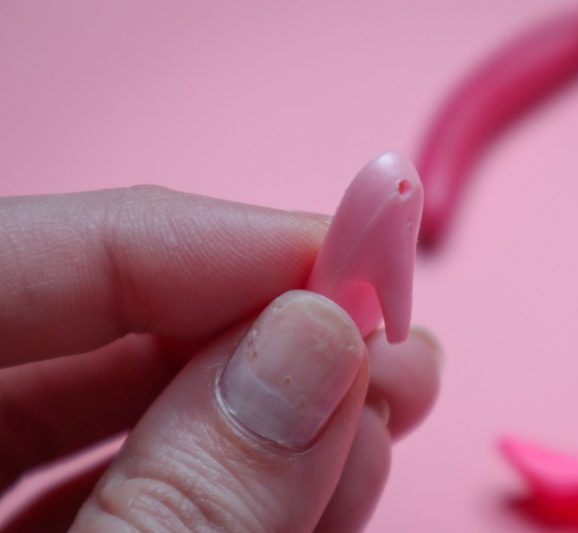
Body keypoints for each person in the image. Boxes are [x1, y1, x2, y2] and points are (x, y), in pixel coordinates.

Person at [0, 185, 442, 532]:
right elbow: (393, 299)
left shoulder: (390, 206)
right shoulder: (389, 203)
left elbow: (390, 291)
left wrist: (394, 320)